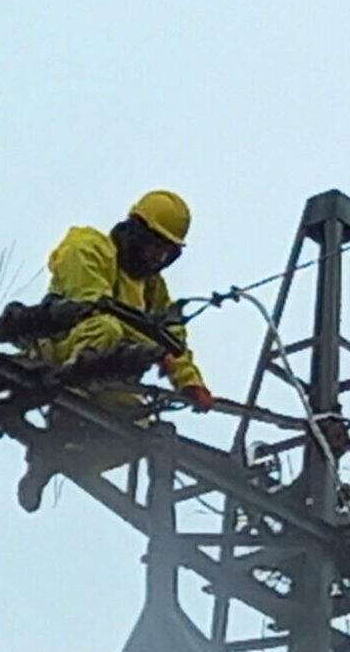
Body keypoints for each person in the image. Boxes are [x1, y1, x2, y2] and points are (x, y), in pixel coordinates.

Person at [17, 190, 211, 512]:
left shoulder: (153, 288)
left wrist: (190, 382)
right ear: (135, 232)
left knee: (138, 434)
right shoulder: (90, 247)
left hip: (112, 373)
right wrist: (152, 347)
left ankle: (57, 459)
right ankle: (68, 399)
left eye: (166, 253)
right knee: (107, 328)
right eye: (153, 246)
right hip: (66, 351)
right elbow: (90, 308)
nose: (156, 258)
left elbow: (173, 338)